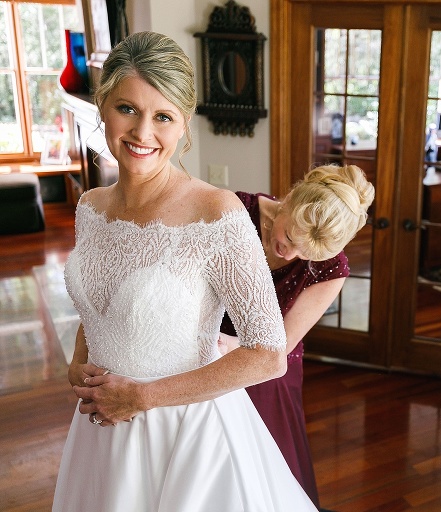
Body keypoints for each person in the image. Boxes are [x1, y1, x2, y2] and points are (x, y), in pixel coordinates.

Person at [53, 31, 316, 511]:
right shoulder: (90, 207)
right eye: (127, 108)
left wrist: (143, 397)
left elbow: (268, 355)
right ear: (103, 105)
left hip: (185, 438)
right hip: (101, 426)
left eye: (163, 117)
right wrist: (79, 359)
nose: (142, 133)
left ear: (184, 124)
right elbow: (100, 300)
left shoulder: (216, 213)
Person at [218, 163, 375, 508]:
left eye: (305, 253)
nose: (290, 254)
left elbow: (283, 342)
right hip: (202, 345)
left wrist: (229, 346)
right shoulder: (233, 210)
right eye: (289, 237)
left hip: (267, 368)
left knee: (265, 472)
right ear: (289, 198)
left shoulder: (332, 268)